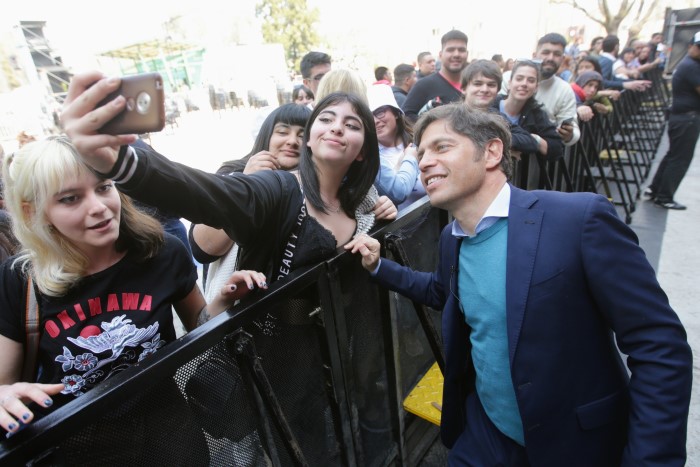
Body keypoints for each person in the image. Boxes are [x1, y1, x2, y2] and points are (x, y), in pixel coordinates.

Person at [346, 103, 692, 465]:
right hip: (486, 437)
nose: (425, 162)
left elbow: (660, 347)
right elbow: (443, 293)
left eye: (442, 147)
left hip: (575, 445)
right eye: (420, 154)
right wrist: (377, 266)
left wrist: (649, 459)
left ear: (492, 151)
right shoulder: (452, 237)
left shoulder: (578, 219)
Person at [0, 137, 264, 462]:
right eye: (70, 199)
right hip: (77, 447)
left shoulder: (163, 252)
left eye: (103, 187)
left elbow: (198, 325)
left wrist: (224, 301)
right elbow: (5, 384)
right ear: (34, 212)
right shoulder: (20, 279)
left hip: (169, 432)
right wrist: (5, 397)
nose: (97, 206)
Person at [60, 71, 382, 286]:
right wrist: (123, 162)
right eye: (326, 118)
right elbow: (204, 193)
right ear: (311, 140)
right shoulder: (278, 187)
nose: (338, 127)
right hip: (264, 370)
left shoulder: (362, 207)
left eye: (352, 125)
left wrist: (375, 252)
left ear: (363, 152)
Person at [645, 32, 700, 210]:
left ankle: (656, 190)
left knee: (674, 156)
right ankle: (664, 196)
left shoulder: (690, 64)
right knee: (679, 158)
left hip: (684, 117)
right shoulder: (691, 66)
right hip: (686, 118)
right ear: (691, 45)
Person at [501, 33, 581, 146]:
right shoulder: (508, 78)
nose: (550, 58)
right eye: (545, 52)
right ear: (535, 55)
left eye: (556, 54)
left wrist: (569, 134)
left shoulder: (565, 90)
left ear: (562, 59)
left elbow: (573, 130)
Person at [492, 60, 564, 162]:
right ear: (509, 83)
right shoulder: (490, 105)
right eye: (519, 79)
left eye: (531, 80)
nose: (524, 84)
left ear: (536, 88)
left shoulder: (537, 114)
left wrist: (535, 139)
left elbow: (557, 149)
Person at [367, 84, 425, 210]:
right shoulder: (368, 158)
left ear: (396, 113)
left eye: (380, 112)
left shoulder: (422, 142)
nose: (375, 120)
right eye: (369, 116)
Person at [402, 30, 469, 122]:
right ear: (441, 55)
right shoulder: (424, 85)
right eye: (450, 50)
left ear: (467, 54)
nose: (456, 54)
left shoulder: (475, 86)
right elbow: (406, 117)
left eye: (461, 50)